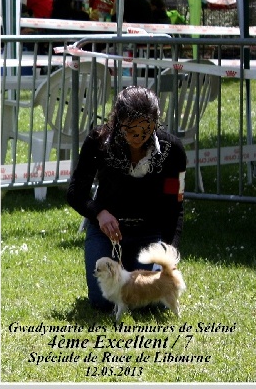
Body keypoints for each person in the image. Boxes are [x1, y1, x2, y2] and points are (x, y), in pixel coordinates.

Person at [67, 86, 187, 311]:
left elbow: (175, 207)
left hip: (150, 233)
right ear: (117, 121)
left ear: (156, 122)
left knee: (154, 302)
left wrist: (169, 253)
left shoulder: (173, 151)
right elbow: (75, 192)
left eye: (146, 128)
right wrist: (99, 213)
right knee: (104, 301)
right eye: (130, 128)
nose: (137, 136)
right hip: (106, 233)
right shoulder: (98, 141)